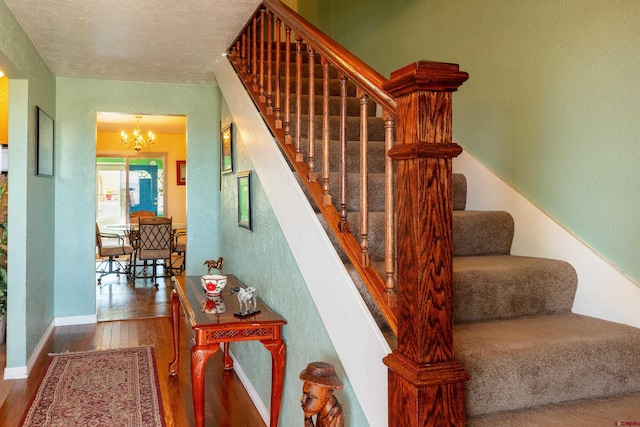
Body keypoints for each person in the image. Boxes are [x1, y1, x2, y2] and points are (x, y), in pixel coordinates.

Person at [300, 361, 344, 427]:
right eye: (304, 394)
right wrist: (307, 418)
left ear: (327, 394)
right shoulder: (322, 407)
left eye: (310, 397)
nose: (302, 400)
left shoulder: (335, 419)